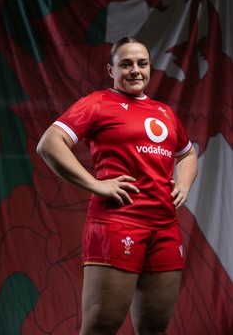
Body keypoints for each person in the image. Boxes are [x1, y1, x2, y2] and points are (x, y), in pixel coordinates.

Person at [36, 36, 198, 335]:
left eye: (142, 63)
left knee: (155, 328)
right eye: (125, 64)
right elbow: (49, 143)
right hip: (117, 223)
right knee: (101, 328)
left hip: (164, 226)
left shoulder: (164, 112)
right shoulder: (98, 103)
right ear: (111, 70)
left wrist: (184, 185)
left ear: (150, 67)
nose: (135, 70)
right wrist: (95, 184)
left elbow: (187, 153)